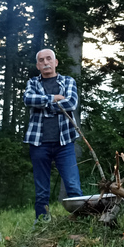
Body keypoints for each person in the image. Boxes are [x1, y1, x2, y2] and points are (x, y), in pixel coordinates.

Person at [23, 48, 83, 221]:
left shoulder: (68, 81)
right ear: (37, 65)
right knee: (41, 189)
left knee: (72, 185)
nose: (45, 62)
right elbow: (28, 99)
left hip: (65, 142)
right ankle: (41, 222)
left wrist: (43, 103)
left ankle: (81, 220)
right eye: (41, 60)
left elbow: (71, 103)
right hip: (38, 143)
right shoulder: (32, 83)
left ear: (55, 62)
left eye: (49, 59)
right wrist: (54, 98)